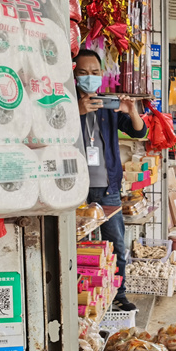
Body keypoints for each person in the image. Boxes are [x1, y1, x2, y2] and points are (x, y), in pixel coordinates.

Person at [74, 49, 147, 312]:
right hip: (75, 189)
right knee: (78, 244)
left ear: (102, 75)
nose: (90, 77)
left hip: (108, 188)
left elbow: (140, 131)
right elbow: (52, 128)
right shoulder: (65, 102)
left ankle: (119, 293)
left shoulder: (109, 104)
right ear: (74, 73)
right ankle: (80, 297)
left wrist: (132, 109)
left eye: (95, 73)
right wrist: (76, 111)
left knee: (115, 241)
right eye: (83, 73)